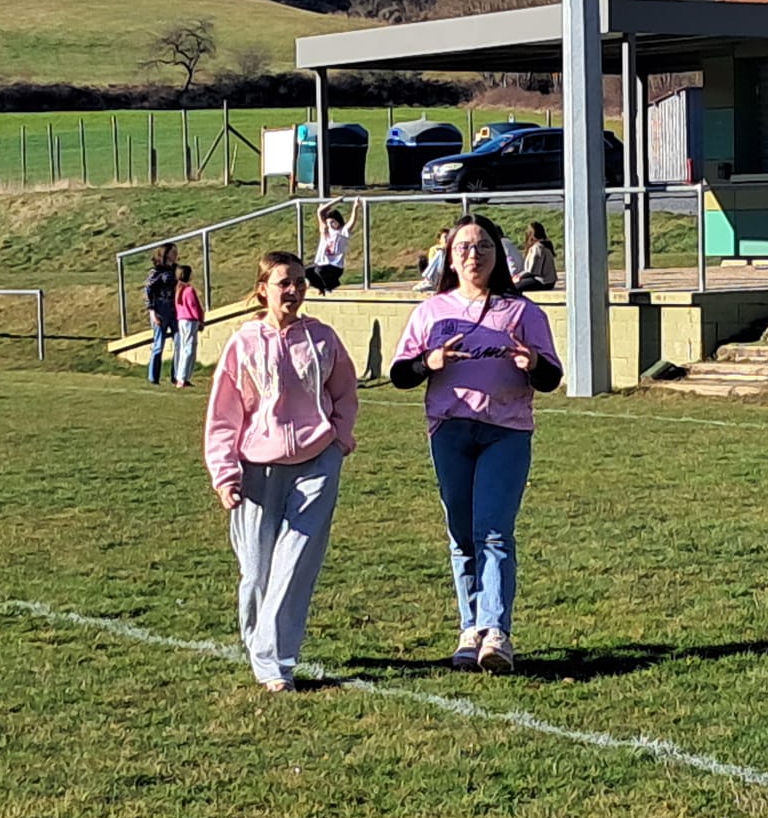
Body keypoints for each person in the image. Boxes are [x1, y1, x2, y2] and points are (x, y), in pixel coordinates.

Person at [390, 213, 563, 673]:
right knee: (462, 533)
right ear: (449, 257)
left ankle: (496, 632)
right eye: (463, 247)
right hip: (450, 430)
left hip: (505, 431)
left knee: (494, 530)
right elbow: (400, 374)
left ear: (498, 255)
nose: (473, 255)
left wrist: (532, 363)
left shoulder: (522, 312)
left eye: (483, 246)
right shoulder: (431, 312)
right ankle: (470, 629)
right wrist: (428, 363)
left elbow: (551, 376)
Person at [204, 252, 360, 692]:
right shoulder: (243, 343)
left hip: (317, 463)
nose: (293, 290)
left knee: (294, 566)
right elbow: (224, 414)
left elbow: (344, 392)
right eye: (283, 283)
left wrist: (339, 438)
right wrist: (225, 473)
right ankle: (258, 642)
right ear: (263, 290)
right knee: (257, 571)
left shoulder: (322, 338)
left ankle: (275, 663)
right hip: (258, 469)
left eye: (299, 282)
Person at [144, 243, 178, 385]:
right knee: (159, 344)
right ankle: (153, 377)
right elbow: (148, 291)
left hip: (174, 308)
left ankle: (177, 375)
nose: (175, 254)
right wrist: (152, 312)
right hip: (160, 308)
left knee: (179, 341)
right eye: (172, 252)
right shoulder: (156, 271)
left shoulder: (175, 269)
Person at [307, 201, 358, 294]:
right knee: (306, 272)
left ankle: (331, 285)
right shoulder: (325, 231)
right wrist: (336, 201)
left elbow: (352, 221)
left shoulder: (342, 232)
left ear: (338, 221)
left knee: (319, 270)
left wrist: (355, 207)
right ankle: (322, 287)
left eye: (333, 222)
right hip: (323, 264)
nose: (330, 225)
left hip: (335, 267)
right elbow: (319, 212)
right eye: (328, 223)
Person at [172, 264, 204, 387]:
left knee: (185, 347)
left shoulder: (179, 290)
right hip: (190, 320)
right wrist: (200, 320)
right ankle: (182, 377)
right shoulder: (189, 290)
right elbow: (194, 306)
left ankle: (182, 376)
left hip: (182, 320)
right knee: (189, 349)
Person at [514, 222, 558, 292]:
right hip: (548, 281)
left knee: (514, 286)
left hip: (543, 281)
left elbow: (533, 271)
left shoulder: (537, 248)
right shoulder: (544, 245)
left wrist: (518, 277)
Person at [415, 227, 451, 293]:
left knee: (441, 252)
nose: (447, 239)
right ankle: (429, 280)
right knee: (440, 253)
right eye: (445, 237)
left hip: (448, 273)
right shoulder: (434, 249)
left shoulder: (453, 248)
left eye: (449, 237)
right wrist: (443, 250)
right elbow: (431, 263)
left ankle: (429, 280)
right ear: (439, 240)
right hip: (437, 273)